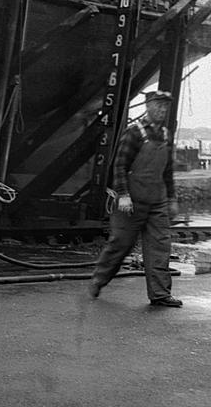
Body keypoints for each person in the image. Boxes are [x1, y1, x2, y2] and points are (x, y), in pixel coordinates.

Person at [88, 90, 182, 307]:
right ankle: (98, 280)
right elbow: (120, 165)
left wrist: (172, 199)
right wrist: (123, 195)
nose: (162, 110)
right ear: (147, 106)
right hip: (131, 202)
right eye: (158, 105)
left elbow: (167, 172)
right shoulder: (135, 133)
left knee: (160, 246)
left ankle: (160, 295)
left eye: (165, 106)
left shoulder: (166, 135)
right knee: (120, 244)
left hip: (157, 201)